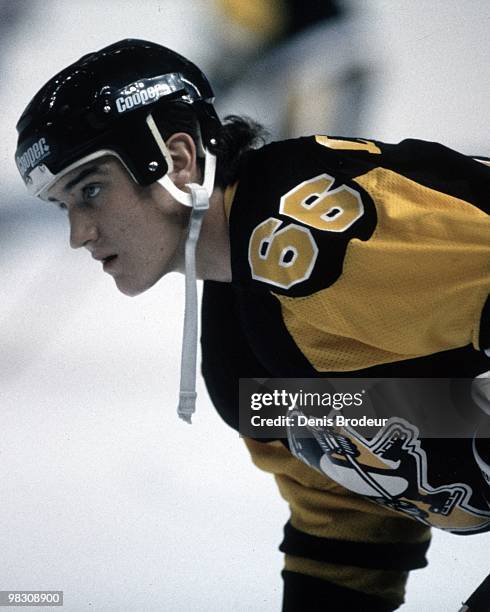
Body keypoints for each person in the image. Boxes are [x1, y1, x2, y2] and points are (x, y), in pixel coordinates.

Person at [15, 39, 490, 611]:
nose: (79, 234)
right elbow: (346, 531)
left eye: (91, 190)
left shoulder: (313, 235)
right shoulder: (242, 349)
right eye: (66, 205)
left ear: (177, 159)